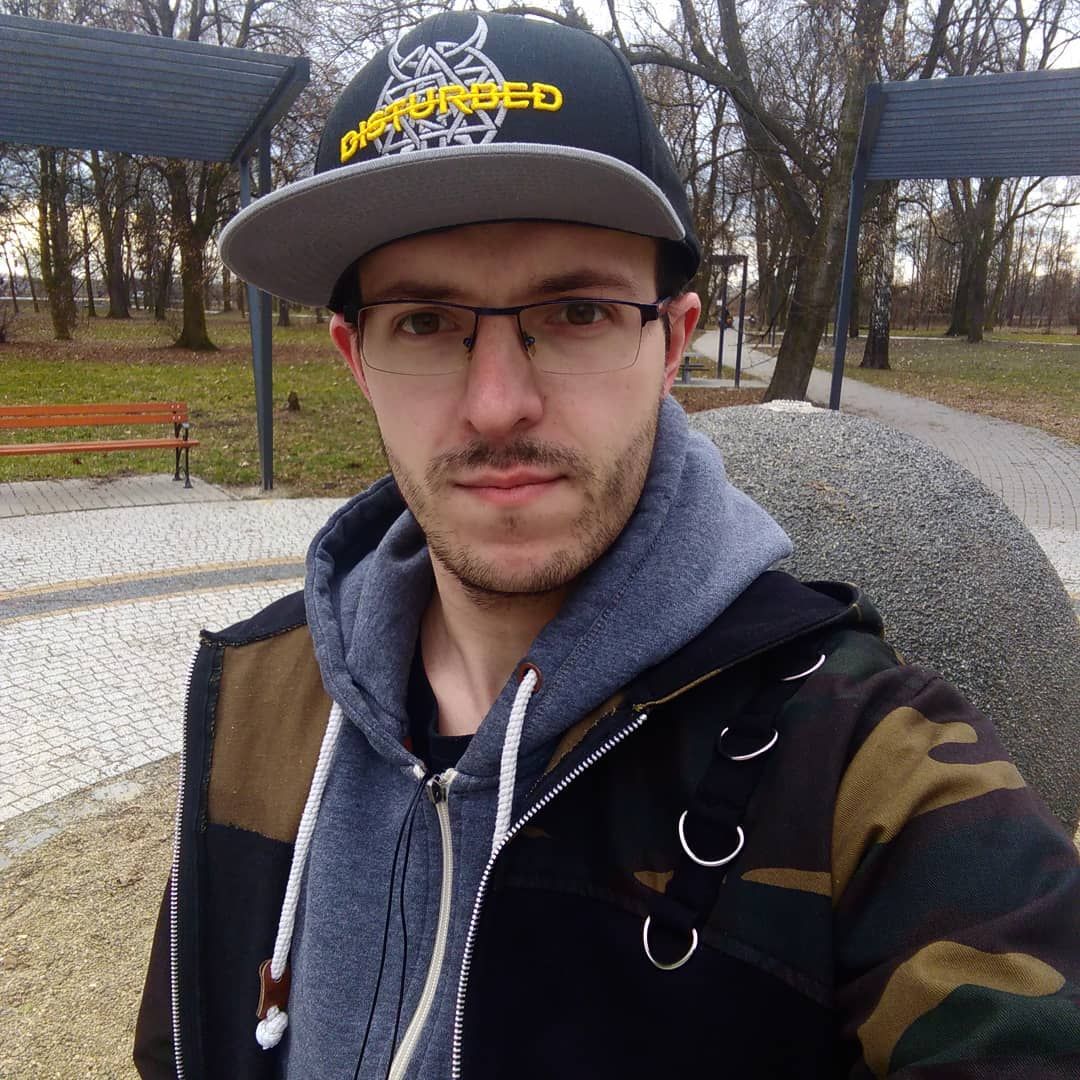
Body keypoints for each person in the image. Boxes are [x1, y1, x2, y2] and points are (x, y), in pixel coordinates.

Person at [134, 12, 1080, 1079]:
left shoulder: (859, 773)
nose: (497, 404)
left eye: (577, 311)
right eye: (425, 322)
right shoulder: (254, 704)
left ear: (671, 343)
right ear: (356, 357)